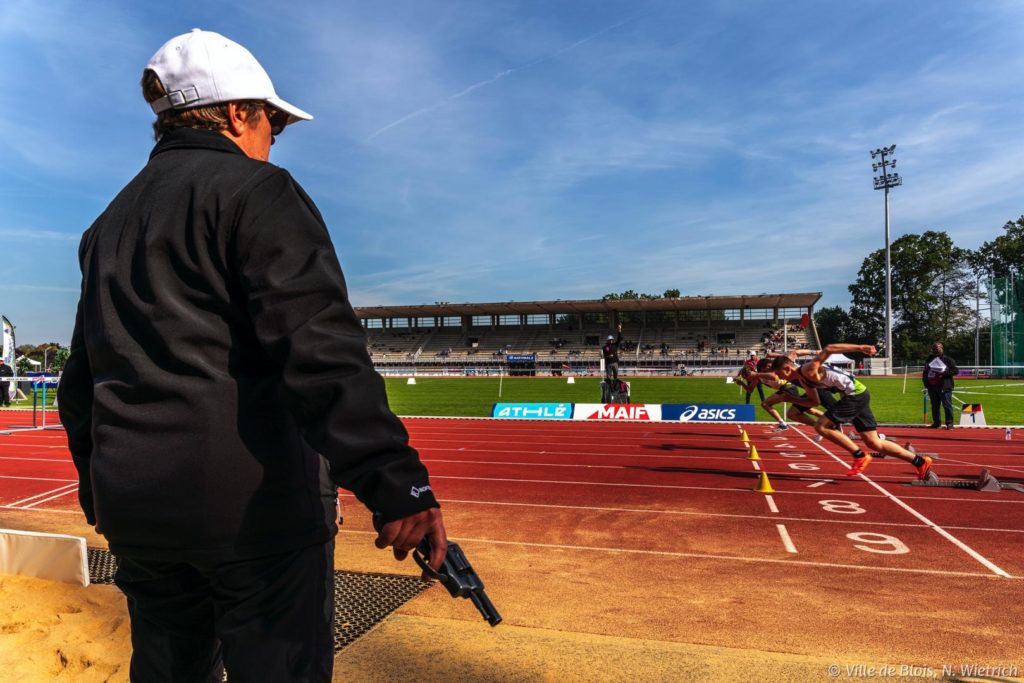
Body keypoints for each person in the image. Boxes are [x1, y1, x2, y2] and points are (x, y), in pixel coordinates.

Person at [58, 29, 447, 683]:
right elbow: (320, 350)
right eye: (272, 122)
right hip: (253, 516)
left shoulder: (108, 225)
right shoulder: (256, 193)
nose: (272, 141)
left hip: (139, 513)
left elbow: (83, 382)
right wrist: (395, 482)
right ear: (238, 113)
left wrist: (105, 495)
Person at [770, 344, 933, 480]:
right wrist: (789, 399)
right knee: (874, 442)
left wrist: (860, 347)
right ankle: (920, 462)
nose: (778, 379)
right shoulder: (804, 380)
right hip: (857, 394)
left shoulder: (808, 370)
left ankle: (859, 455)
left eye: (778, 375)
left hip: (855, 394)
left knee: (822, 426)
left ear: (786, 369)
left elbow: (829, 348)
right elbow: (814, 402)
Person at [922, 342, 958, 429]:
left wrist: (944, 373)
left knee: (947, 405)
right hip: (932, 386)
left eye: (938, 348)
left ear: (942, 349)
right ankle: (936, 423)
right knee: (934, 406)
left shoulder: (948, 360)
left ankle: (949, 424)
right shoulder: (929, 359)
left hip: (944, 386)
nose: (936, 350)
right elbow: (925, 371)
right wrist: (925, 383)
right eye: (934, 348)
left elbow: (955, 371)